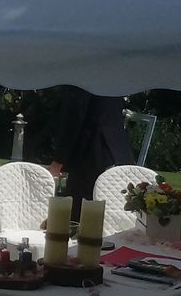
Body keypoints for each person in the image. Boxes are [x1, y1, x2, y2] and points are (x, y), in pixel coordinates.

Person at [46, 85, 134, 218]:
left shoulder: (82, 78)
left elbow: (74, 115)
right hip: (117, 150)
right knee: (111, 212)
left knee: (79, 211)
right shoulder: (110, 76)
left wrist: (59, 158)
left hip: (92, 153)